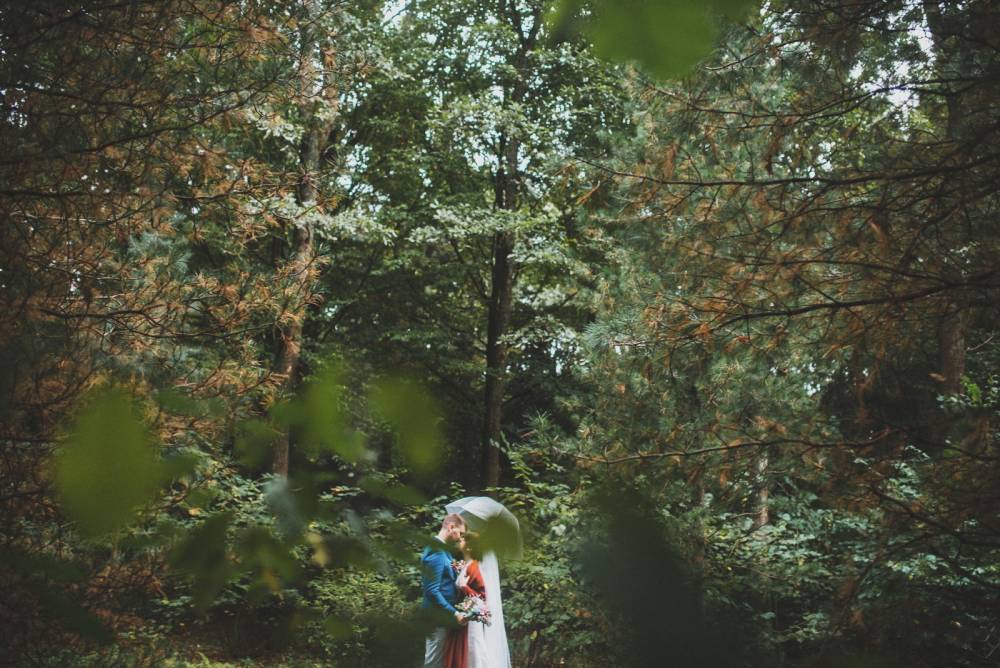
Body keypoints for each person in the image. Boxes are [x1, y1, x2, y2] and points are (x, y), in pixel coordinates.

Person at [422, 513, 468, 668]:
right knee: (433, 662)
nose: (460, 538)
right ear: (451, 527)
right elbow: (432, 591)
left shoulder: (443, 550)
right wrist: (454, 613)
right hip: (436, 617)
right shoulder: (436, 551)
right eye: (460, 533)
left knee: (440, 661)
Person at [442, 533, 488, 668]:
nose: (459, 540)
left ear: (469, 547)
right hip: (461, 615)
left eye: (462, 539)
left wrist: (465, 587)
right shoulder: (466, 565)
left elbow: (482, 597)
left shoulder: (474, 567)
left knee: (472, 652)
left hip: (469, 618)